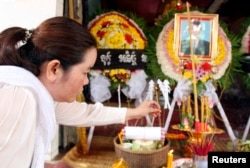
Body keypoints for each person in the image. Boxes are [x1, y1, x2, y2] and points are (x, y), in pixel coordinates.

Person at [0, 17, 161, 168]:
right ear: (54, 69)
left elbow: (86, 113)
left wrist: (135, 112)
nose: (86, 81)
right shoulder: (18, 99)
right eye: (85, 72)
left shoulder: (35, 94)